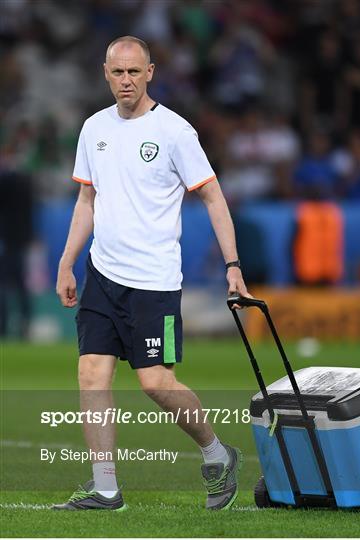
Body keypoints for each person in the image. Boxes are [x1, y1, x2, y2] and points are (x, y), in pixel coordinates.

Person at [53, 36, 250, 512]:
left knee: (155, 383)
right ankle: (105, 489)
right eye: (118, 73)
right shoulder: (93, 129)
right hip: (103, 274)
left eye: (134, 72)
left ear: (151, 72)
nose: (126, 81)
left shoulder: (175, 132)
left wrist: (233, 266)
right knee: (91, 374)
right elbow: (86, 200)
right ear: (105, 73)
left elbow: (213, 197)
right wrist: (66, 261)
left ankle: (217, 453)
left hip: (155, 282)